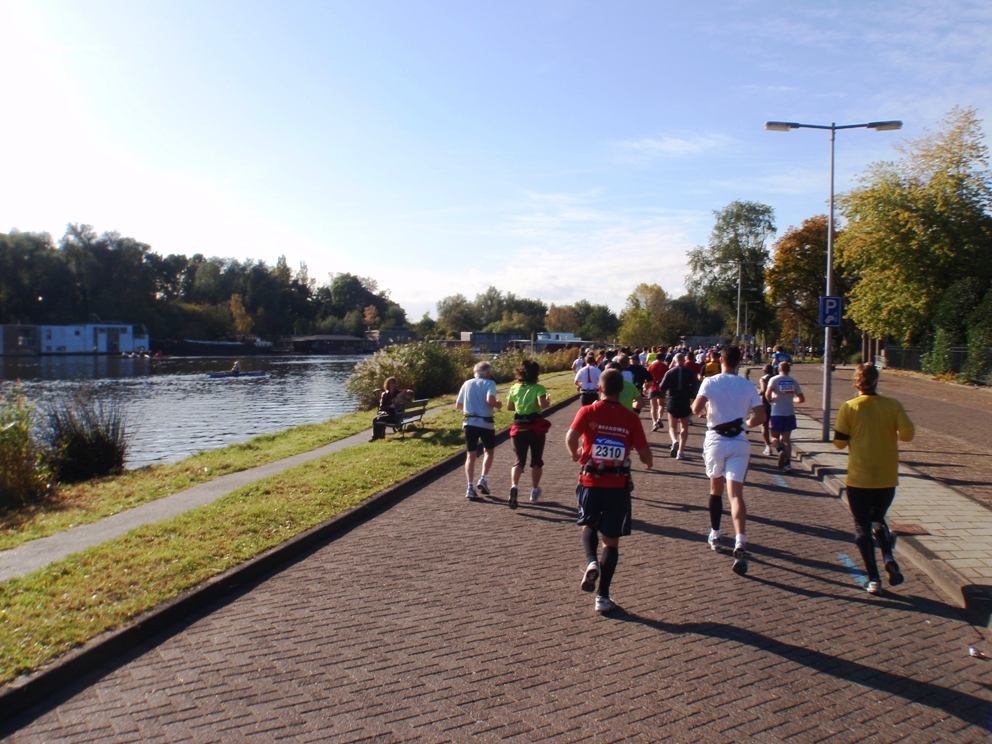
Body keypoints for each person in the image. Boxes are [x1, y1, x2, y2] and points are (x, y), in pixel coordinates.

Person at [566, 369, 653, 614]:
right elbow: (645, 454)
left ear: (600, 389)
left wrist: (575, 454)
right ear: (622, 390)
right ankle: (602, 597)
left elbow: (571, 436)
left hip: (590, 481)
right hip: (617, 486)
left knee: (589, 524)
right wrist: (649, 462)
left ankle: (591, 562)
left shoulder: (588, 411)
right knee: (611, 544)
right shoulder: (631, 418)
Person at [833, 363, 915, 595]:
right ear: (876, 381)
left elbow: (839, 443)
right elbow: (908, 435)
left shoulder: (849, 407)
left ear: (855, 382)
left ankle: (874, 579)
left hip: (860, 477)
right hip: (887, 477)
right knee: (878, 518)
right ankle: (888, 556)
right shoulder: (892, 405)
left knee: (862, 526)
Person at [692, 346, 766, 576]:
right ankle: (740, 541)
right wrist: (745, 425)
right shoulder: (747, 385)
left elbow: (696, 409)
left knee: (716, 490)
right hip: (739, 441)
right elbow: (761, 416)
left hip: (716, 440)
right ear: (739, 361)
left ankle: (715, 534)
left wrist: (704, 412)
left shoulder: (710, 382)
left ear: (720, 360)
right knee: (736, 495)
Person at [506, 359, 551, 508]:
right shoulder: (539, 388)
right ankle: (534, 490)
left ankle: (514, 486)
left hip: (519, 428)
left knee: (519, 461)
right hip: (535, 428)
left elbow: (510, 407)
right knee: (536, 460)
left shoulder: (514, 388)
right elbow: (542, 405)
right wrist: (548, 401)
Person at [456, 361, 502, 500]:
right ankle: (483, 478)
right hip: (486, 422)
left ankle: (470, 486)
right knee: (489, 451)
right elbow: (490, 399)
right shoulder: (490, 383)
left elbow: (458, 405)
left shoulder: (467, 383)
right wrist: (498, 405)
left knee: (471, 455)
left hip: (469, 422)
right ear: (487, 373)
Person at [766, 361, 805, 472]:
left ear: (778, 369)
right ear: (789, 370)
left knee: (774, 437)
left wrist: (770, 400)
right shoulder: (793, 381)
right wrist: (793, 399)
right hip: (789, 413)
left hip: (777, 413)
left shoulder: (774, 380)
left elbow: (767, 393)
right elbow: (801, 399)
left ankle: (780, 451)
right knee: (787, 440)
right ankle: (788, 464)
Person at [659, 353, 698, 460]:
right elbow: (695, 386)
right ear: (684, 360)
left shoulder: (670, 372)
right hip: (685, 401)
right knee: (684, 427)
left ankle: (674, 441)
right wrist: (691, 396)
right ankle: (680, 452)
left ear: (674, 361)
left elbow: (662, 386)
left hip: (673, 400)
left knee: (672, 427)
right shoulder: (689, 372)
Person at [370, 376, 413, 441]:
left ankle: (377, 437)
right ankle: (377, 437)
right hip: (388, 414)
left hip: (396, 416)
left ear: (395, 384)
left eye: (393, 383)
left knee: (378, 419)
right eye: (390, 383)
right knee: (376, 419)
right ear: (387, 384)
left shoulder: (399, 393)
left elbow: (409, 400)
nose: (392, 384)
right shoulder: (384, 394)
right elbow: (382, 407)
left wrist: (400, 402)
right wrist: (390, 406)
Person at [646, 353, 670, 432]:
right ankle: (660, 418)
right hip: (661, 386)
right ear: (663, 358)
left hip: (653, 386)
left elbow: (647, 375)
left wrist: (645, 385)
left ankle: (654, 422)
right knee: (661, 404)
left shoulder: (651, 366)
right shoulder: (665, 366)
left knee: (653, 406)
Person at [757, 364, 775, 456]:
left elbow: (763, 390)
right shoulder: (776, 378)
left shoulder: (763, 379)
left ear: (764, 371)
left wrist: (757, 394)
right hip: (776, 403)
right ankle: (779, 445)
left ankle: (768, 446)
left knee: (764, 425)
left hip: (766, 403)